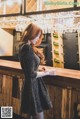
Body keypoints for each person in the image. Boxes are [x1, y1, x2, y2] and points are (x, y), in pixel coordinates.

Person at [19, 23, 52, 119]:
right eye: (37, 36)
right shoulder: (27, 48)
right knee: (38, 114)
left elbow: (29, 67)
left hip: (30, 85)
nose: (38, 39)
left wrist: (39, 68)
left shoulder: (24, 46)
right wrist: (46, 73)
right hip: (32, 85)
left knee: (31, 113)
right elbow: (31, 74)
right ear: (31, 34)